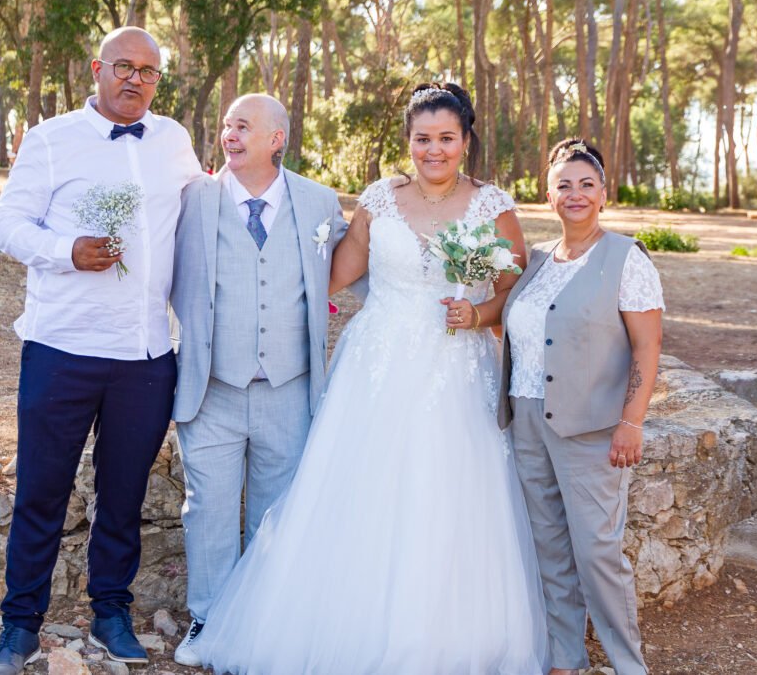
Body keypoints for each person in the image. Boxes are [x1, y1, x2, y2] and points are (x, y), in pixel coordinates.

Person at [186, 82, 550, 673]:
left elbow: (514, 290)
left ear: (465, 141)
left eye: (446, 139)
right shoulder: (380, 199)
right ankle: (339, 627)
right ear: (408, 140)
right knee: (357, 495)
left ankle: (438, 635)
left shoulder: (493, 206)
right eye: (422, 139)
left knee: (447, 496)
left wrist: (478, 313)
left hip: (455, 372)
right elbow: (329, 276)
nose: (433, 150)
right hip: (375, 369)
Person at [0, 27, 202, 674]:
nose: (135, 79)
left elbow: (207, 211)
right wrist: (66, 251)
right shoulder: (51, 139)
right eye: (123, 66)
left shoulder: (174, 141)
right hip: (63, 348)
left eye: (148, 71)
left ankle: (111, 613)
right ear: (96, 69)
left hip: (146, 355)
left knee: (125, 494)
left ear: (158, 81)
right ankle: (20, 626)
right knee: (42, 492)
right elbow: (6, 224)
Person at [170, 93, 349, 667]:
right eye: (227, 124)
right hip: (211, 387)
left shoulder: (319, 202)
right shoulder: (193, 199)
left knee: (277, 513)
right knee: (209, 510)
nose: (230, 134)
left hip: (289, 388)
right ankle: (208, 619)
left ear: (277, 138)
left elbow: (362, 269)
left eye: (243, 126)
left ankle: (265, 627)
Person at [498, 138, 664, 675]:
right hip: (526, 418)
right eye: (564, 185)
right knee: (548, 544)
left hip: (590, 429)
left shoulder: (625, 258)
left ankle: (628, 665)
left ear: (603, 194)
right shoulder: (538, 260)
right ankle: (565, 658)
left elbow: (647, 347)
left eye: (586, 184)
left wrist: (631, 422)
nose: (575, 194)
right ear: (549, 197)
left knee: (597, 554)